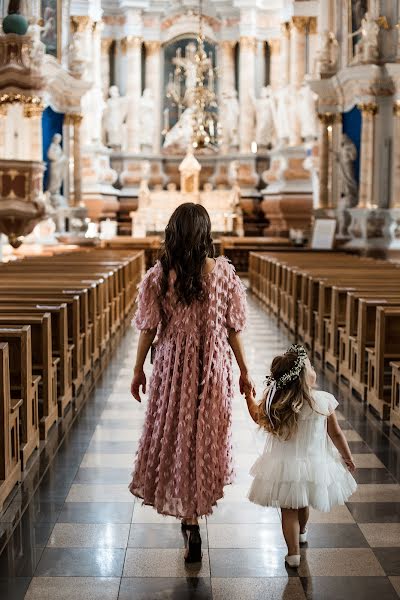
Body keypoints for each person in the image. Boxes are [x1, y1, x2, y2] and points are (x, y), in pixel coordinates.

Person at [129, 202, 254, 563]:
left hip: (172, 369)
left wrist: (138, 369)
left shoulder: (158, 275)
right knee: (204, 438)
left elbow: (149, 327)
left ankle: (190, 519)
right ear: (205, 233)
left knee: (178, 438)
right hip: (212, 366)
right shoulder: (224, 275)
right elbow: (233, 328)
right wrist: (244, 370)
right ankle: (195, 511)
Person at [245, 344, 357, 568]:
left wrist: (249, 396)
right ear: (305, 376)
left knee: (288, 509)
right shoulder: (322, 401)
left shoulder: (278, 404)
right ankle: (303, 531)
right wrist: (347, 456)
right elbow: (335, 433)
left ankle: (293, 554)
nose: (314, 369)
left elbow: (257, 417)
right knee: (303, 502)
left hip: (283, 467)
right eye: (310, 367)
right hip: (313, 465)